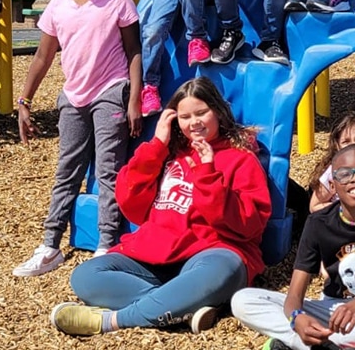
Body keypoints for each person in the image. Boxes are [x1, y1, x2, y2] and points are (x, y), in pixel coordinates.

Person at [49, 76, 271, 337]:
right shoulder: (169, 154)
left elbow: (248, 226)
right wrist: (156, 146)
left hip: (212, 252)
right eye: (185, 116)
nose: (194, 122)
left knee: (224, 271)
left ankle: (113, 320)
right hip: (156, 253)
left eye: (202, 113)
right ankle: (180, 306)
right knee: (86, 276)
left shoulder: (240, 158)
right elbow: (132, 205)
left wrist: (208, 173)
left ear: (219, 113)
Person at [12, 0, 143, 276]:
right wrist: (24, 101)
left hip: (110, 92)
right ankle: (50, 245)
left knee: (109, 171)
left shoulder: (119, 1)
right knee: (66, 170)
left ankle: (106, 245)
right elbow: (43, 56)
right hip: (73, 95)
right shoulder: (57, 6)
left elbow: (134, 52)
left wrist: (134, 100)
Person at [230, 143, 355, 350]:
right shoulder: (318, 222)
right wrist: (296, 319)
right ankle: (339, 343)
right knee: (242, 300)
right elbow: (294, 296)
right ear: (333, 185)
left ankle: (314, 344)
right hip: (332, 309)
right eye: (344, 174)